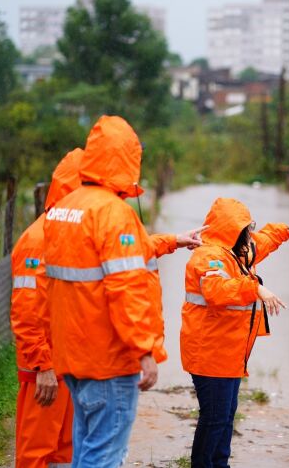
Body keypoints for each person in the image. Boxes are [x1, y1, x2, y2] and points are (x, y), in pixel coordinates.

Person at [43, 115, 204, 467]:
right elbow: (126, 288)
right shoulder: (115, 213)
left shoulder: (63, 210)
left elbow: (57, 284)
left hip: (72, 356)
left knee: (85, 450)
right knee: (103, 457)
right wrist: (144, 350)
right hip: (108, 360)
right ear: (127, 159)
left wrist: (173, 240)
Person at [181, 197, 289, 468]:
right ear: (231, 230)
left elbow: (264, 239)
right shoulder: (210, 257)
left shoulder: (239, 250)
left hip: (230, 355)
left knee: (225, 416)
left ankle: (220, 465)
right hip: (210, 354)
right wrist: (255, 288)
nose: (249, 235)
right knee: (215, 418)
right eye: (243, 229)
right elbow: (217, 290)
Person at [11, 148, 83, 468]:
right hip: (46, 371)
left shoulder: (68, 236)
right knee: (37, 453)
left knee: (64, 453)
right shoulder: (38, 240)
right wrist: (43, 367)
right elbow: (26, 312)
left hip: (66, 368)